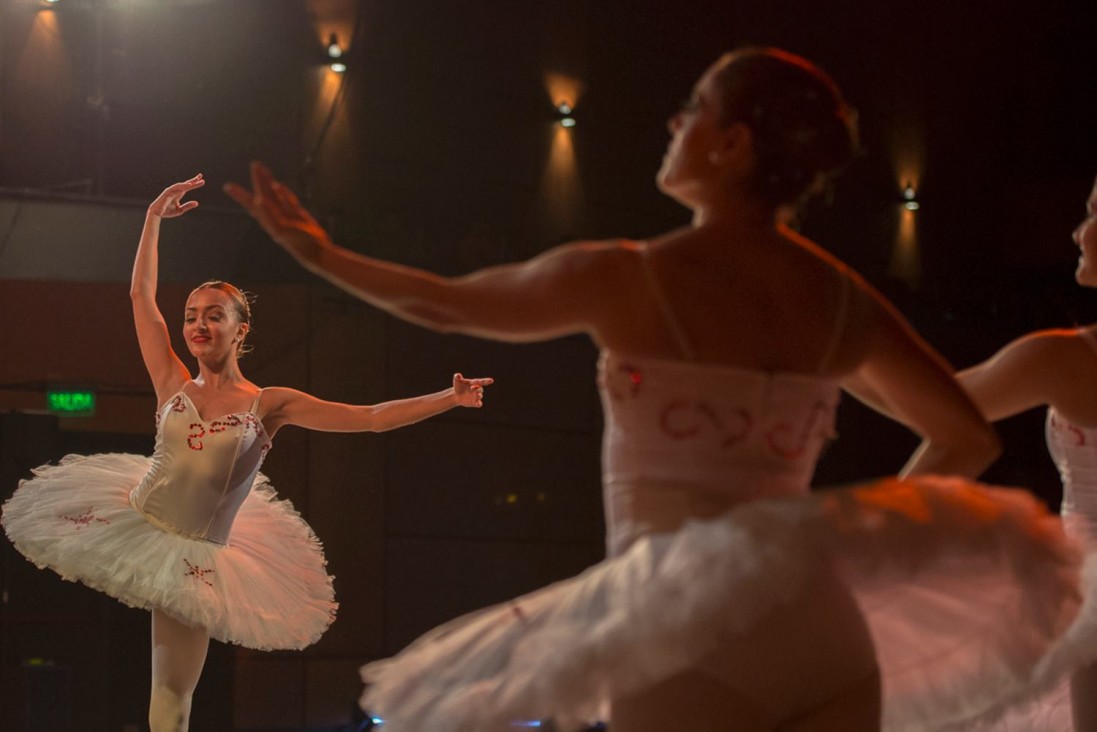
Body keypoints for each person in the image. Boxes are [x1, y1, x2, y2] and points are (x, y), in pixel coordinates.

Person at [227, 49, 1081, 732]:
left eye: (695, 109)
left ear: (732, 144)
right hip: (822, 626)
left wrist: (322, 255)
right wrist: (864, 537)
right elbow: (967, 436)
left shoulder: (630, 277)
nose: (674, 124)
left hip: (684, 634)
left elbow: (443, 307)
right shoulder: (839, 300)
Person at [0, 174, 493, 732]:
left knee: (171, 695)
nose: (198, 325)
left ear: (241, 329)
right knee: (155, 686)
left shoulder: (269, 404)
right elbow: (141, 297)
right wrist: (152, 220)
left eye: (214, 314)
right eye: (190, 315)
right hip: (134, 520)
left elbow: (371, 419)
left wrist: (447, 399)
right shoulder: (172, 382)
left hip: (194, 554)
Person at [954, 175, 1097, 731]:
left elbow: (930, 408)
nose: (1077, 232)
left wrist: (828, 340)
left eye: (1092, 213)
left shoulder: (1065, 360)